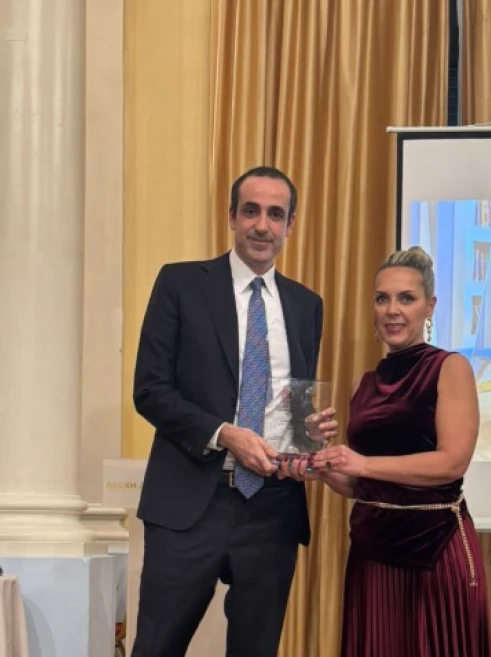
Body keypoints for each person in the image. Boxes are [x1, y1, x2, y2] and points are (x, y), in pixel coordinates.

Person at [131, 165, 338, 657]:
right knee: (156, 648)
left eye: (275, 214)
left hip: (273, 510)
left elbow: (290, 403)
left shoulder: (306, 305)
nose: (262, 226)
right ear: (231, 216)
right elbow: (150, 390)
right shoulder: (181, 283)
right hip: (188, 505)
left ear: (290, 224)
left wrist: (306, 434)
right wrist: (225, 434)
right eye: (251, 211)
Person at [307, 246, 491, 656]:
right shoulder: (363, 384)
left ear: (430, 306)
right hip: (372, 554)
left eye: (406, 298)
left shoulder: (449, 367)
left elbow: (452, 462)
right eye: (382, 298)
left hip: (435, 551)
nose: (392, 310)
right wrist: (321, 465)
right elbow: (364, 485)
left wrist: (362, 463)